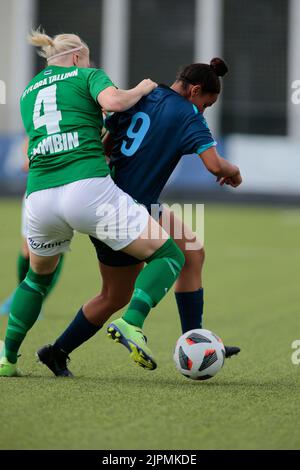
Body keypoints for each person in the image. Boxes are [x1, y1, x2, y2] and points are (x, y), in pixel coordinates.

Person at [38, 58, 242, 377]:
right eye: (206, 104)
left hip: (122, 199)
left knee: (190, 253)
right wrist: (234, 172)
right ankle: (104, 333)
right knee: (123, 289)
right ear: (196, 91)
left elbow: (105, 144)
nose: (204, 111)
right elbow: (215, 166)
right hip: (122, 207)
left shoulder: (142, 95)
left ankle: (196, 342)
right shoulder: (188, 115)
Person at [0, 29, 186, 377]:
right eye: (88, 59)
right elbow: (114, 102)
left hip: (39, 195)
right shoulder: (87, 75)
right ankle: (131, 322)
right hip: (87, 188)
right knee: (169, 255)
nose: (91, 64)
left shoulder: (28, 91)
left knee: (36, 280)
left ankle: (7, 357)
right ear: (76, 56)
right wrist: (143, 88)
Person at [0, 139, 64, 317]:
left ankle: (37, 301)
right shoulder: (44, 119)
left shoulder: (81, 120)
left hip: (66, 192)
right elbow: (27, 159)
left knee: (57, 250)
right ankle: (22, 296)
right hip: (38, 191)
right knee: (28, 249)